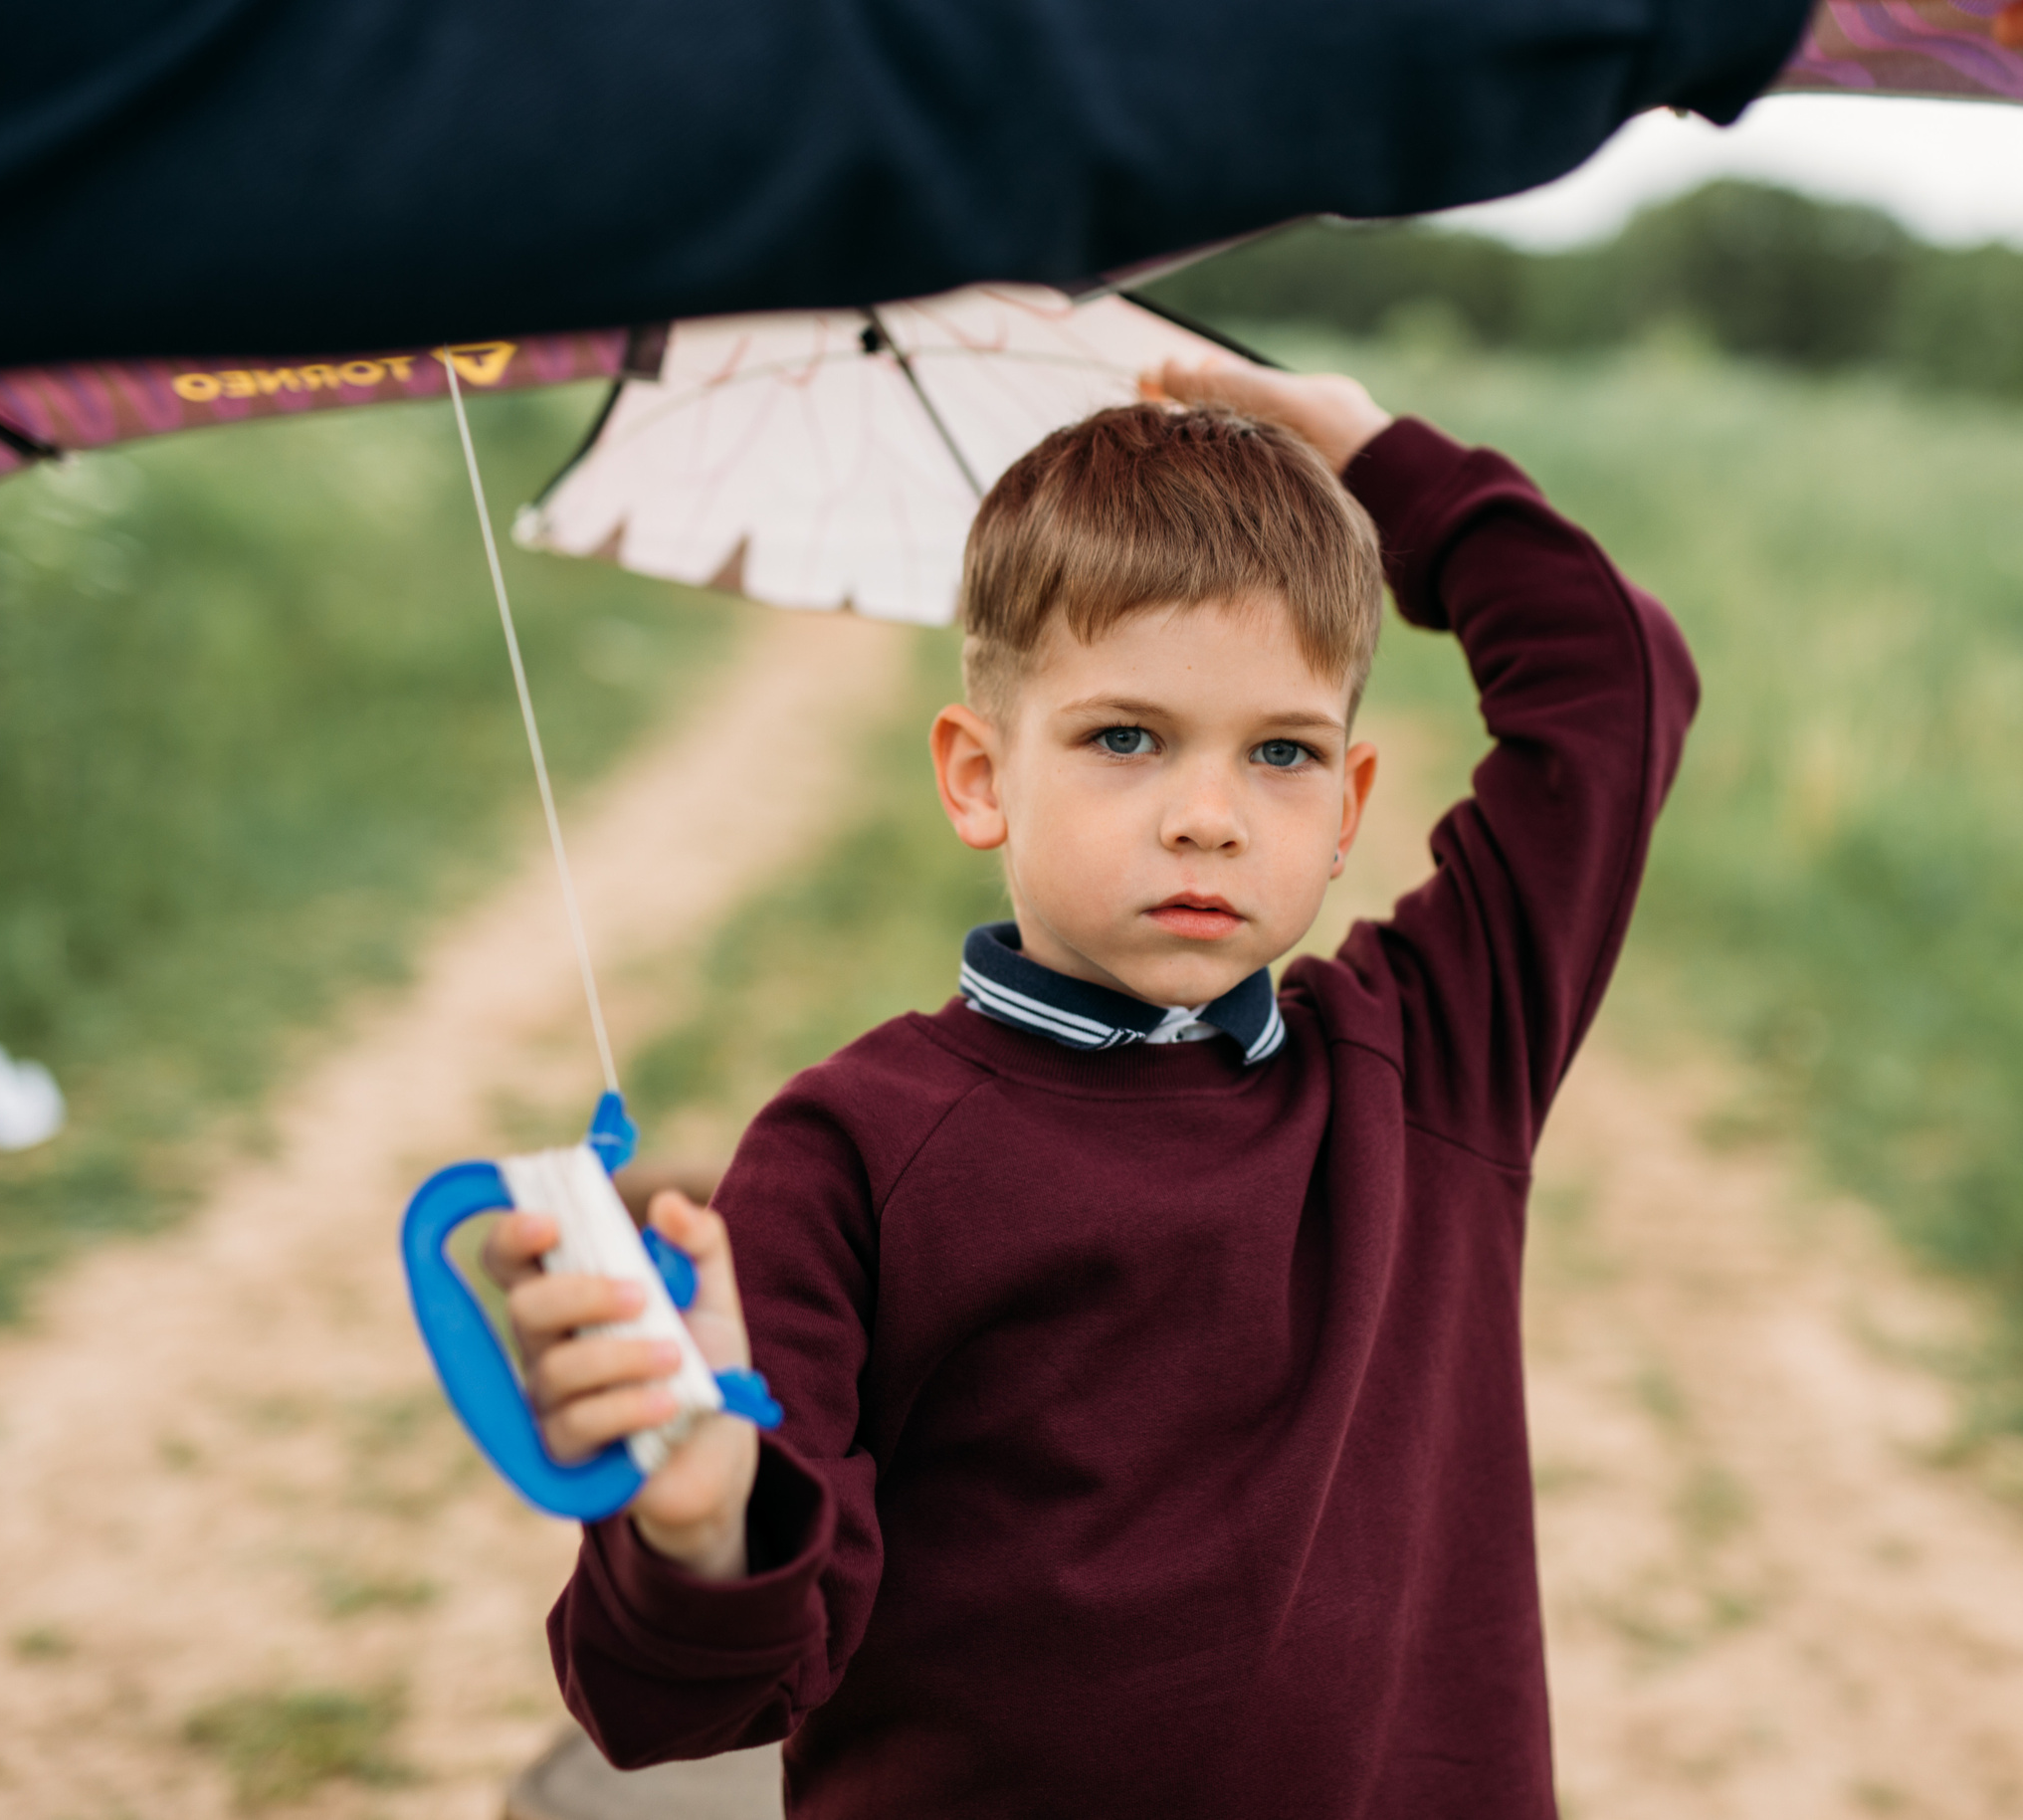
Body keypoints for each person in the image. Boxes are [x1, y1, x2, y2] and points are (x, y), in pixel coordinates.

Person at [481, 355, 1696, 1815]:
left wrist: (1383, 461)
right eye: (1126, 737)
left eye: (1283, 752)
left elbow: (1617, 686)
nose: (1208, 816)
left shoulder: (1428, 1058)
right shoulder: (849, 1154)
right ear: (979, 773)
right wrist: (696, 1522)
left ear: (1349, 807)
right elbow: (678, 1701)